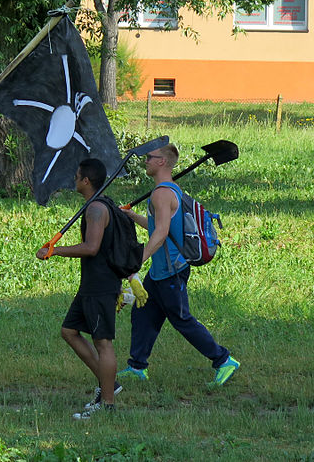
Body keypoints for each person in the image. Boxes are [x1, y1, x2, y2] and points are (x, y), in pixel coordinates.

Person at [119, 143, 239, 386]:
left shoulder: (162, 194)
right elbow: (156, 227)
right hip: (161, 270)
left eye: (150, 158)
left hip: (171, 272)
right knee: (143, 314)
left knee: (182, 319)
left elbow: (161, 234)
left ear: (162, 162)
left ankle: (223, 360)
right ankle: (137, 366)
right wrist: (132, 216)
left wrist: (137, 262)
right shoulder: (169, 190)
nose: (146, 161)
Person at [36, 158, 140, 420]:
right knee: (69, 330)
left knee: (102, 343)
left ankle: (107, 404)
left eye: (77, 175)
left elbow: (91, 247)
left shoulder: (96, 209)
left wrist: (55, 250)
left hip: (100, 286)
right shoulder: (101, 205)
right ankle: (110, 385)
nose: (74, 179)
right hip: (92, 285)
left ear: (86, 180)